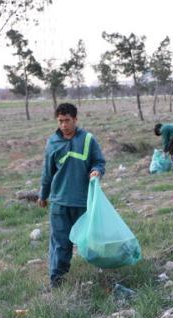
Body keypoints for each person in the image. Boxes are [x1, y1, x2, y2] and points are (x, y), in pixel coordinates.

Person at [38, 103, 106, 289]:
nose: (64, 125)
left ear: (75, 119)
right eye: (60, 121)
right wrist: (43, 195)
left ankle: (102, 274)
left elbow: (99, 162)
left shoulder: (88, 139)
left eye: (67, 120)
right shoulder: (52, 142)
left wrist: (96, 171)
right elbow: (47, 172)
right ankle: (56, 279)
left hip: (83, 202)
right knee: (60, 243)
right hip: (59, 202)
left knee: (90, 240)